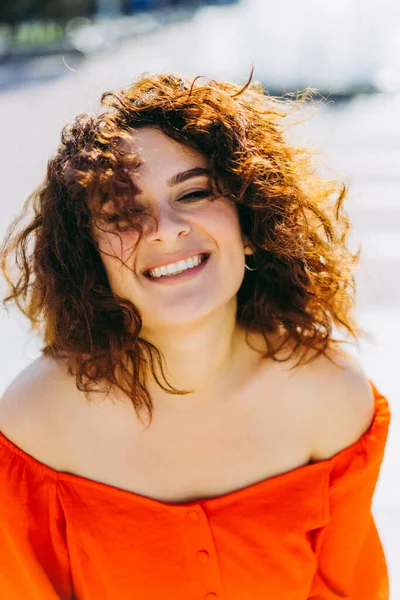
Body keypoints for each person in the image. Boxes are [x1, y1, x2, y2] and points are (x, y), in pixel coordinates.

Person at [0, 72, 391, 600]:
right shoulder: (36, 419)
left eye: (195, 192)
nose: (163, 228)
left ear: (250, 222)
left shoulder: (331, 397)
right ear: (92, 259)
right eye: (122, 212)